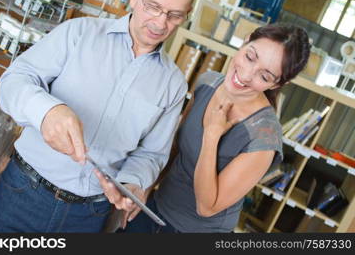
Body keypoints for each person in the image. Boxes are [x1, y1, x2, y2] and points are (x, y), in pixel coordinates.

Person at [0, 0, 196, 233]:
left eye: (174, 15)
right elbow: (13, 81)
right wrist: (46, 112)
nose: (161, 23)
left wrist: (132, 182)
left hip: (89, 216)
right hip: (23, 194)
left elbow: (151, 152)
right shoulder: (79, 33)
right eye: (153, 7)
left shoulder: (173, 84)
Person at [101, 24, 310, 233]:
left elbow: (207, 207)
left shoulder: (264, 139)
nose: (246, 75)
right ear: (246, 41)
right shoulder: (208, 83)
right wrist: (146, 188)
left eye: (264, 76)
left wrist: (212, 135)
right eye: (250, 57)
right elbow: (174, 148)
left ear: (276, 85)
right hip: (157, 208)